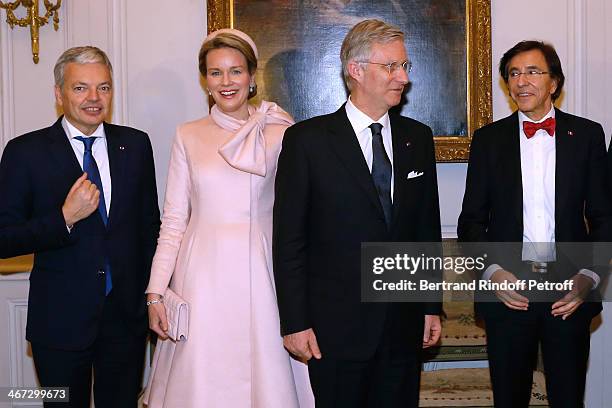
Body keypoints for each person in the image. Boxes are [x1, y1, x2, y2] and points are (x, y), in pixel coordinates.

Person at [273, 19, 442, 407]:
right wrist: (295, 322)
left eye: (405, 66)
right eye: (391, 66)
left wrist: (431, 306)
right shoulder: (307, 141)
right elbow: (289, 241)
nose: (402, 76)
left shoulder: (417, 137)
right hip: (336, 328)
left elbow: (424, 230)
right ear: (356, 70)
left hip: (402, 326)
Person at [144, 29, 313, 408]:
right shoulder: (187, 135)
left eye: (235, 71)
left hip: (265, 275)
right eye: (215, 73)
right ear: (205, 80)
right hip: (202, 278)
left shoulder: (283, 132)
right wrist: (155, 293)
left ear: (252, 77)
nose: (226, 82)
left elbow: (301, 217)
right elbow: (173, 221)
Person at [0, 46, 160, 407]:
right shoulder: (25, 152)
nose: (93, 98)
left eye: (103, 87)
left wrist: (156, 295)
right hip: (58, 323)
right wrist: (64, 219)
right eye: (80, 88)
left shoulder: (135, 145)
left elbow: (150, 229)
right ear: (59, 94)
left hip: (126, 322)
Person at [458, 40, 611, 407]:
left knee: (568, 396)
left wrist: (589, 278)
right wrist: (492, 272)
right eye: (513, 73)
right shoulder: (488, 140)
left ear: (554, 81)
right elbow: (471, 223)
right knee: (509, 398)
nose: (521, 81)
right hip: (508, 290)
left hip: (569, 291)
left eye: (532, 71)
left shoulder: (587, 135)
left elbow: (605, 217)